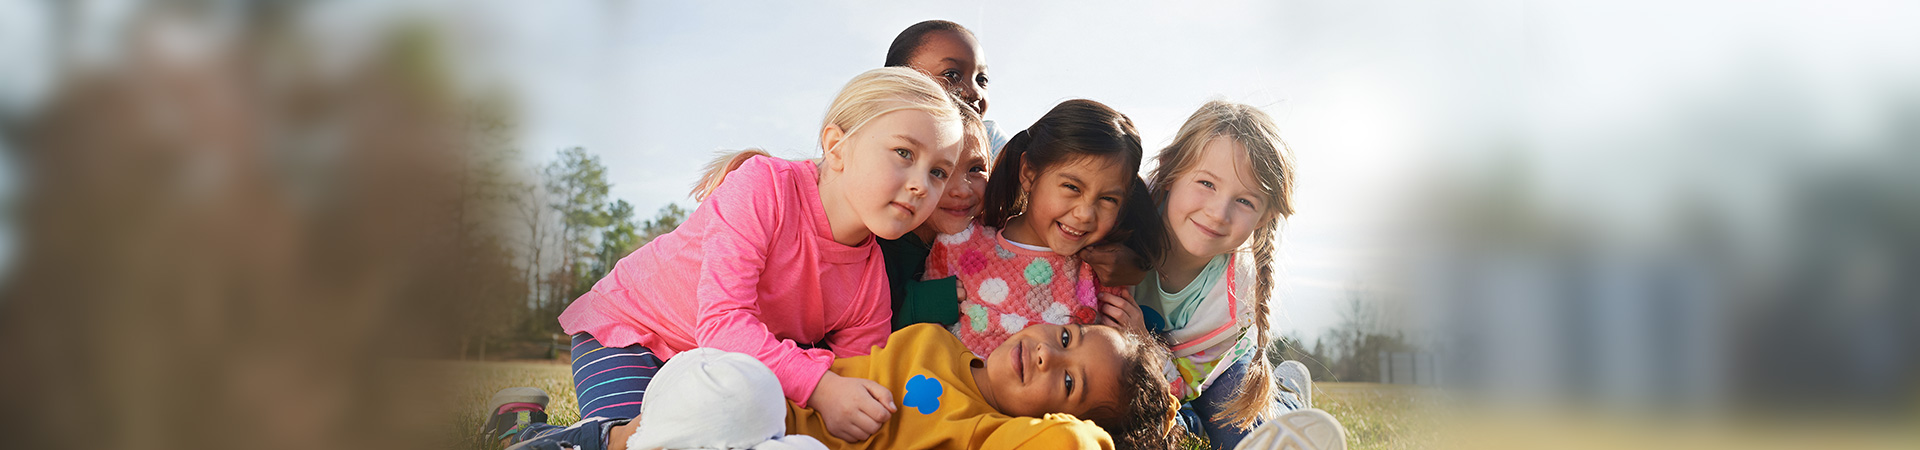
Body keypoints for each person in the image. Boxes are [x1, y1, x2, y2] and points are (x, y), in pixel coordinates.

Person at [486, 67, 968, 446]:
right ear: (836, 145)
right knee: (649, 440)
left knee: (732, 434)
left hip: (720, 368)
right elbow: (722, 324)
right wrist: (820, 387)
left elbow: (855, 376)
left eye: (940, 172)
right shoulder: (766, 186)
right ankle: (524, 431)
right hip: (633, 335)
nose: (920, 184)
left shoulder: (869, 279)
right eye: (904, 153)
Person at [509, 323, 1182, 450]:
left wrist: (1090, 432)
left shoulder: (994, 434)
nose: (1044, 358)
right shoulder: (931, 339)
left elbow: (1067, 445)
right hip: (757, 403)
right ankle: (595, 440)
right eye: (1064, 338)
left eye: (1067, 383)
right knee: (734, 394)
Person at [1092, 101, 1318, 449]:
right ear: (1169, 172)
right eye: (1206, 183)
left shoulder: (1236, 295)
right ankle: (1194, 422)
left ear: (1264, 217)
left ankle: (1287, 393)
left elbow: (1186, 386)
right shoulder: (1118, 219)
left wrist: (1145, 347)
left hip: (1216, 368)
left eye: (1245, 201)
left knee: (1247, 438)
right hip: (1155, 369)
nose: (1218, 213)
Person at [926, 99, 1170, 358]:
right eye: (1072, 187)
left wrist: (1141, 343)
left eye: (1108, 199)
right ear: (1029, 173)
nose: (1085, 214)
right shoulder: (957, 246)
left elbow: (1139, 379)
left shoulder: (1101, 275)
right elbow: (918, 343)